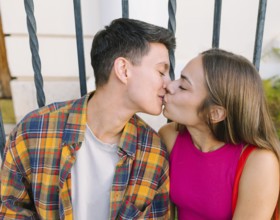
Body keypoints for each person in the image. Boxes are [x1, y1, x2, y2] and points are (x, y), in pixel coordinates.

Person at [0, 18, 176, 219]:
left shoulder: (153, 153)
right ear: (123, 70)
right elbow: (9, 211)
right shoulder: (34, 131)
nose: (169, 84)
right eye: (162, 71)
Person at [159, 48, 280, 220]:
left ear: (215, 113)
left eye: (183, 86)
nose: (169, 85)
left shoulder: (259, 161)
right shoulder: (170, 137)